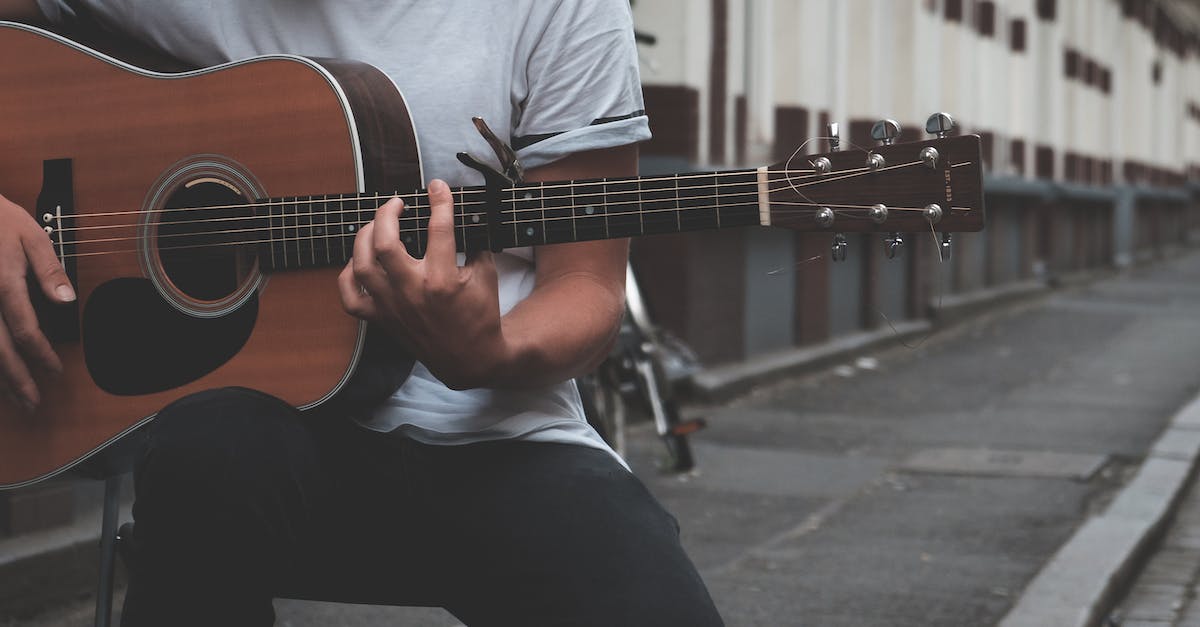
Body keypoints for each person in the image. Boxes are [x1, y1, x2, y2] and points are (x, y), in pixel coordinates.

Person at [0, 1, 724, 625]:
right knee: (209, 447)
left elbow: (587, 286)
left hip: (505, 436)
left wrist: (492, 351)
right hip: (262, 442)